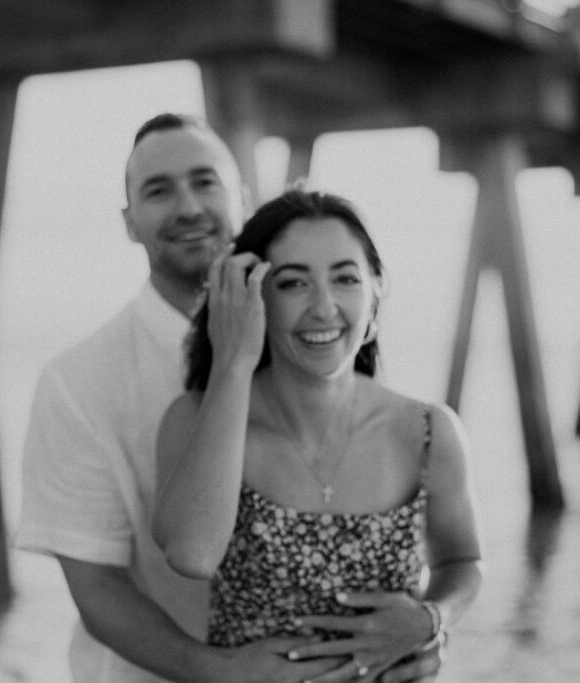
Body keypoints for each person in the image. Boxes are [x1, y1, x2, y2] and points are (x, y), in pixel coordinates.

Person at [17, 114, 444, 682]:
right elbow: (96, 589)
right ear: (129, 222)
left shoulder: (318, 342)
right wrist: (219, 670)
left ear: (241, 198)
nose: (189, 207)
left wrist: (430, 623)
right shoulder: (77, 382)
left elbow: (421, 542)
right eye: (158, 190)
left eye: (205, 181)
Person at [154, 190, 483, 680]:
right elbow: (193, 555)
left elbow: (464, 561)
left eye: (346, 278)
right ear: (254, 299)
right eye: (292, 283)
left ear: (374, 295)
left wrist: (431, 620)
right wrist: (234, 359)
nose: (324, 307)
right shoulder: (197, 418)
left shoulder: (428, 432)